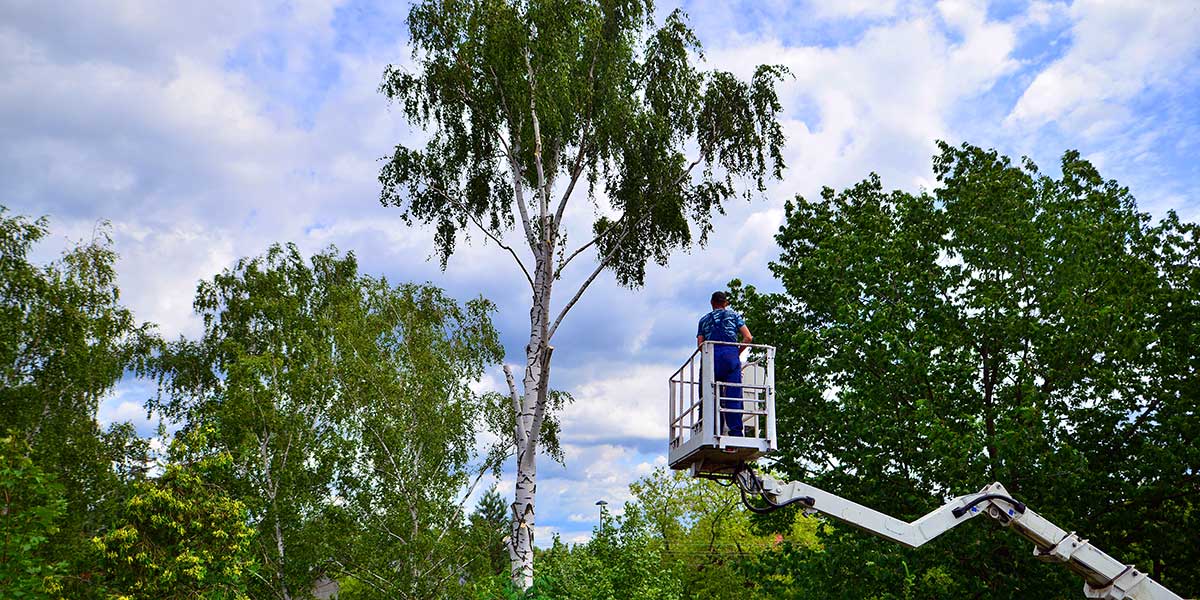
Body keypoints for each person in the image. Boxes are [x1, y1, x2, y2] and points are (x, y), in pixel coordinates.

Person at [697, 291, 753, 437]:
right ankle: (736, 432)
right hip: (730, 355)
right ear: (725, 303)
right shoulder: (734, 316)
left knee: (709, 396)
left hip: (711, 356)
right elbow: (748, 337)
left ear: (712, 303)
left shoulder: (703, 320)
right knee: (733, 396)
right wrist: (737, 352)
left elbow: (700, 346)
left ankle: (711, 431)